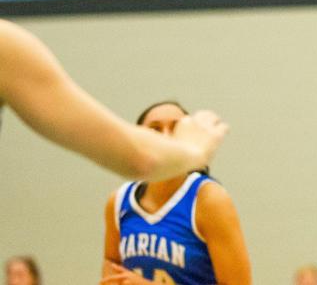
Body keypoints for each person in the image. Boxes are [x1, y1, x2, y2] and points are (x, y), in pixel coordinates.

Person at [0, 19, 227, 181]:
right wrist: (194, 148)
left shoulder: (206, 196)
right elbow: (140, 158)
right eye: (156, 129)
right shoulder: (6, 45)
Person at [100, 101, 251, 285]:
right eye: (155, 129)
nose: (166, 135)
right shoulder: (119, 201)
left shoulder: (208, 199)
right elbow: (112, 262)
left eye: (176, 128)